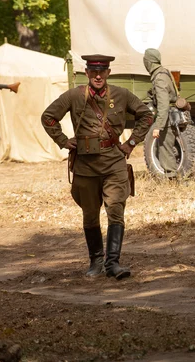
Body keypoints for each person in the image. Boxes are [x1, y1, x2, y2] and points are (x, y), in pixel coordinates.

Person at [41, 55, 153, 280]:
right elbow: (48, 117)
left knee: (115, 212)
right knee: (90, 216)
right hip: (85, 167)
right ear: (87, 72)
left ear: (109, 73)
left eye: (102, 72)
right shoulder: (75, 95)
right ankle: (96, 261)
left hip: (113, 163)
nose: (98, 76)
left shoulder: (121, 95)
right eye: (93, 72)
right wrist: (63, 141)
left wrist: (131, 143)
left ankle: (113, 263)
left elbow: (147, 116)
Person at [143, 48, 178, 176]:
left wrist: (158, 126)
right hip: (171, 114)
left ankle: (171, 177)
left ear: (148, 62)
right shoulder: (164, 73)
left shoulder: (159, 78)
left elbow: (163, 104)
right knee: (165, 146)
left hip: (167, 117)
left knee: (165, 147)